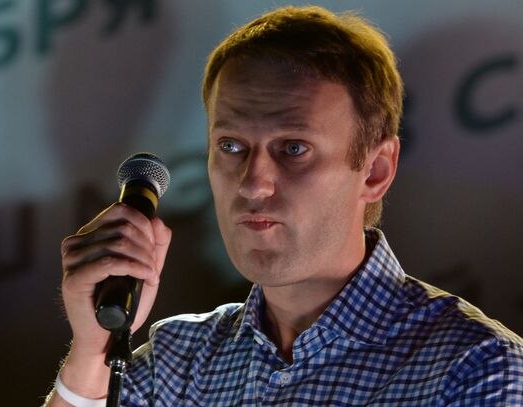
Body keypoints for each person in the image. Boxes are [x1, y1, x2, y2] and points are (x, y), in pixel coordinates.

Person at [44, 6, 523, 406]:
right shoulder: (176, 359)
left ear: (375, 170)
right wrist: (92, 351)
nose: (253, 184)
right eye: (231, 146)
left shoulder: (476, 366)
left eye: (293, 148)